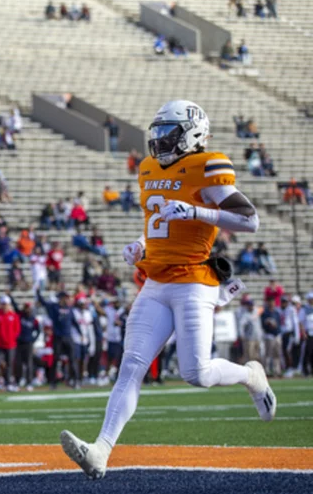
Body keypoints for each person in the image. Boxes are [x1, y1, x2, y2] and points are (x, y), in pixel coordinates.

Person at [61, 100, 276, 480]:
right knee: (131, 366)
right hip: (157, 279)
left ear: (191, 134)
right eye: (156, 133)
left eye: (168, 133)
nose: (159, 141)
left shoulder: (208, 165)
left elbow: (250, 220)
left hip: (194, 280)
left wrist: (199, 212)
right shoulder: (148, 169)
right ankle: (101, 451)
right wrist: (142, 243)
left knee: (197, 372)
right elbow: (160, 220)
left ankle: (250, 376)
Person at [10, 293, 40, 391]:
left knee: (29, 363)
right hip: (19, 343)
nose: (27, 309)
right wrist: (10, 296)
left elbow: (38, 330)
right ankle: (18, 382)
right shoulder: (20, 315)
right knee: (18, 363)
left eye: (28, 308)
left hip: (28, 343)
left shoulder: (33, 319)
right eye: (26, 307)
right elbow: (14, 306)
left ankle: (29, 382)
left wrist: (33, 340)